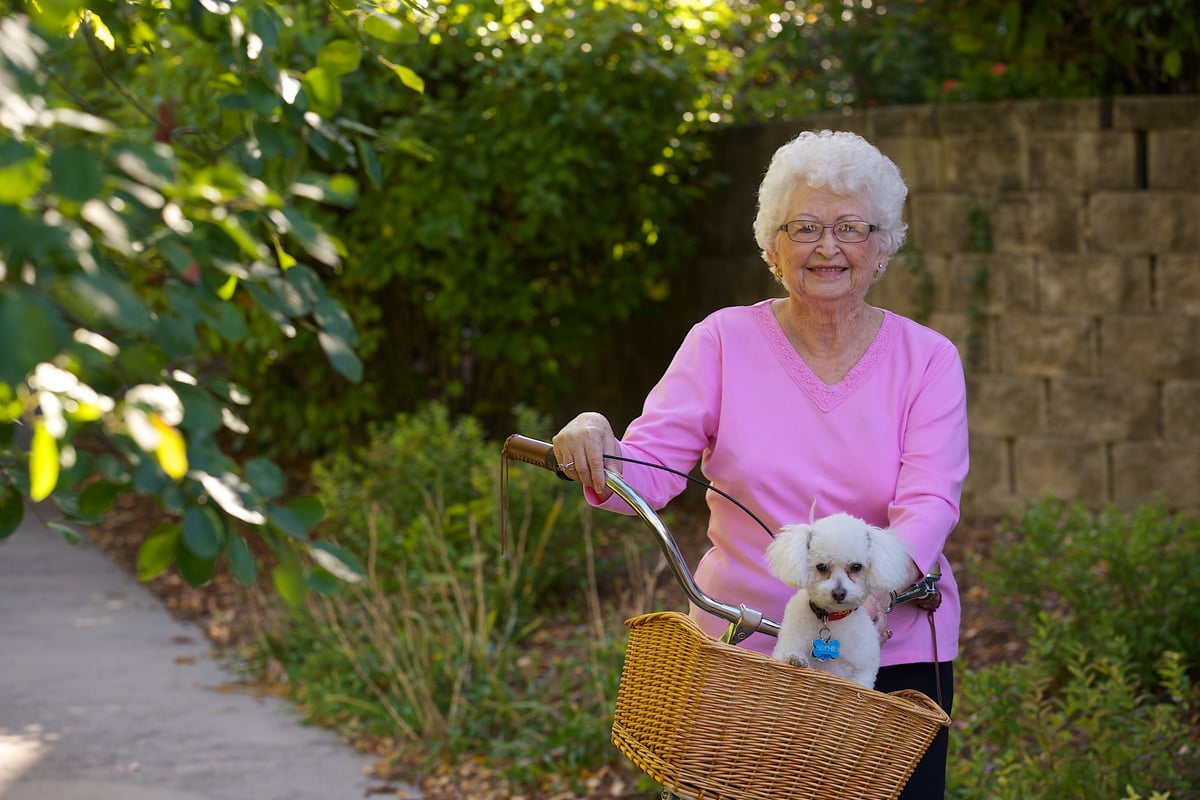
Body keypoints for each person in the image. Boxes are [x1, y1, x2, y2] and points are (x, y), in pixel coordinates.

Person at [551, 129, 968, 799]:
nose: (827, 247)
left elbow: (929, 504)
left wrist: (869, 598)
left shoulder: (928, 360)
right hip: (744, 651)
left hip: (889, 653)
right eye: (803, 227)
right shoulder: (721, 341)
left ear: (883, 246)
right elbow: (650, 468)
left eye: (851, 228)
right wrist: (597, 438)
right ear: (772, 248)